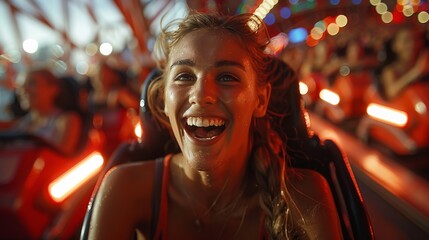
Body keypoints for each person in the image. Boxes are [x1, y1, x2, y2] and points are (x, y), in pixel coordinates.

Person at [88, 12, 342, 239]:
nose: (201, 94)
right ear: (164, 100)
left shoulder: (305, 198)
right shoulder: (124, 190)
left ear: (260, 100)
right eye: (185, 76)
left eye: (227, 77)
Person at [2, 67, 82, 155]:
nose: (24, 90)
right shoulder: (23, 122)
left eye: (32, 84)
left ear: (53, 89)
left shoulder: (67, 120)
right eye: (21, 86)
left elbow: (63, 159)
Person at [378, 27, 429, 99]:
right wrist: (417, 71)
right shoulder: (390, 70)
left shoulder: (423, 63)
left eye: (415, 40)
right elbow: (391, 92)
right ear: (395, 46)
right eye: (406, 41)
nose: (412, 45)